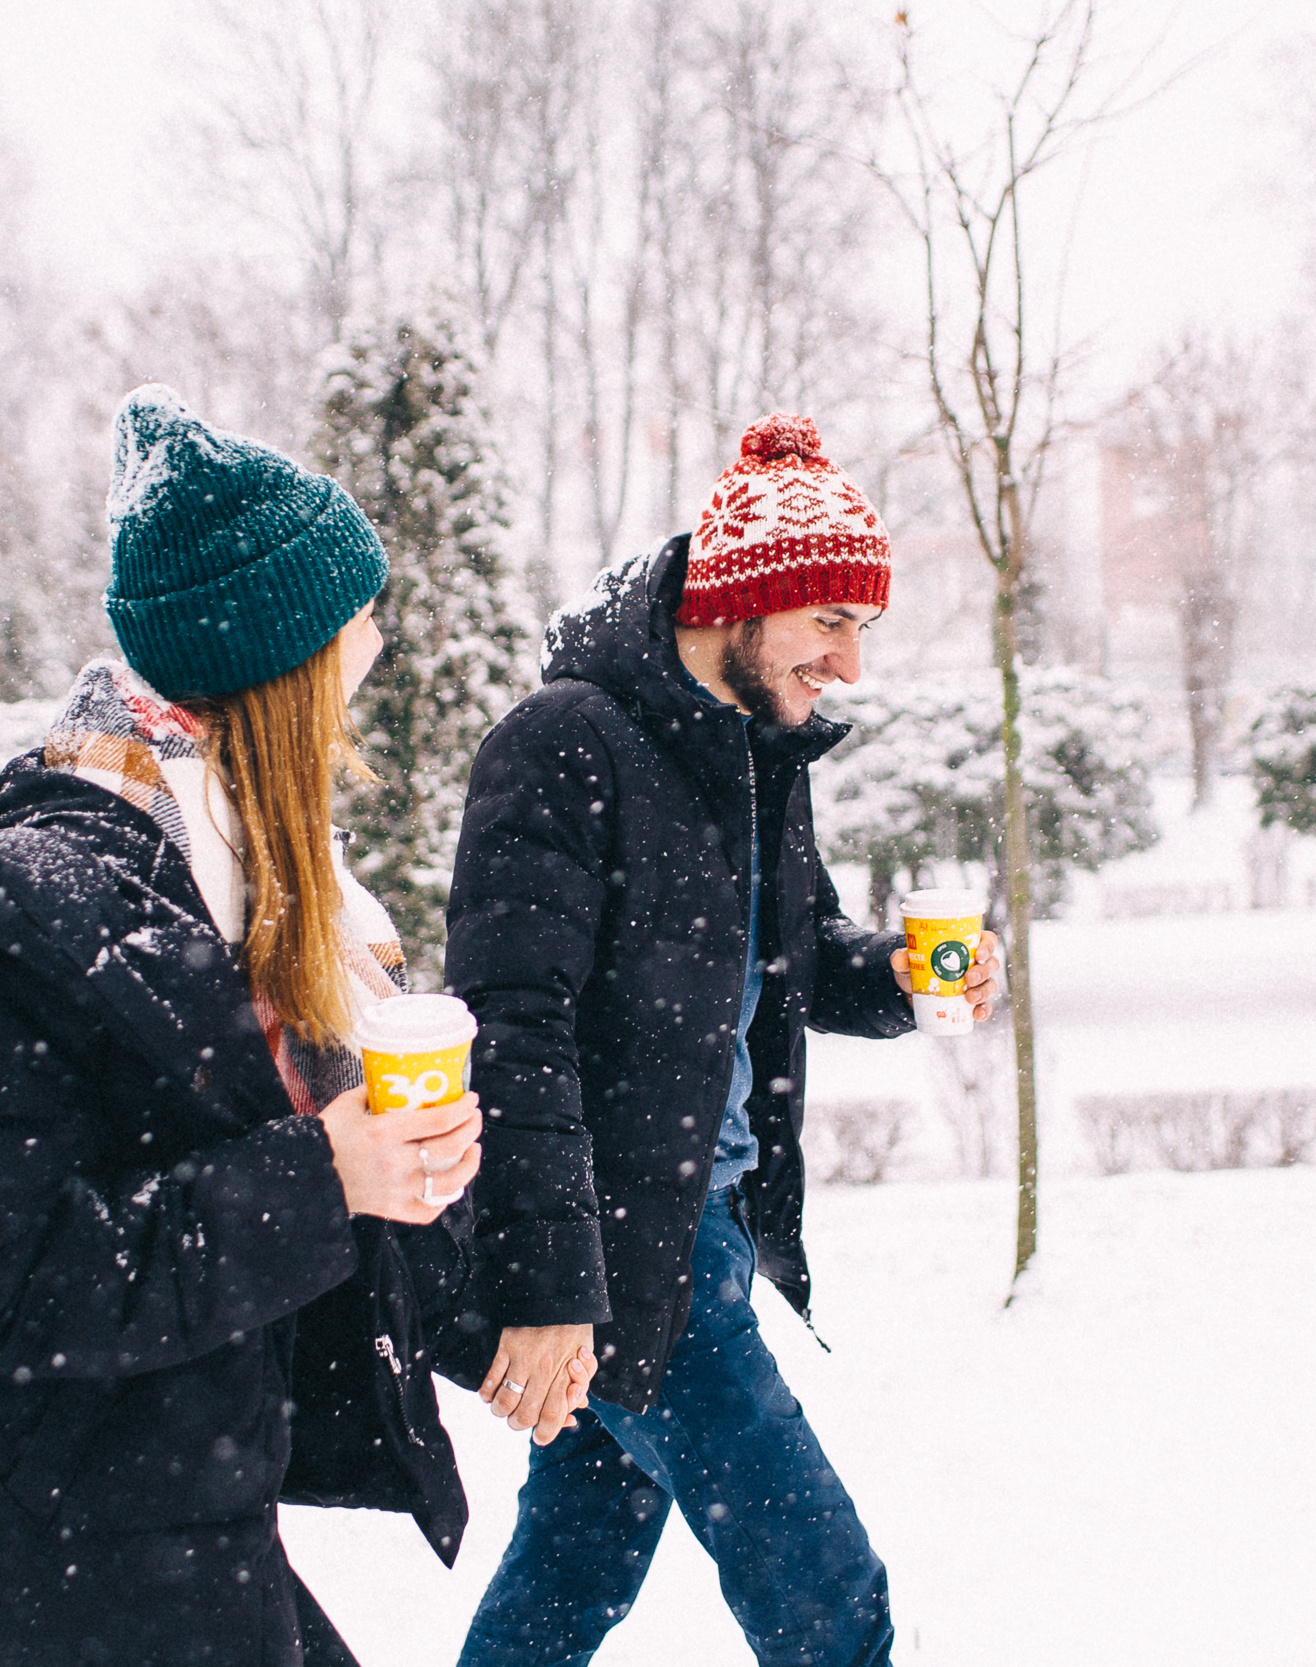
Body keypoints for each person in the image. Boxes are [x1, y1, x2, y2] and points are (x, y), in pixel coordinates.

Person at [0, 385, 488, 1667]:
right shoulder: (53, 904)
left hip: (142, 1509)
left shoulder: (222, 875)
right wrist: (322, 1175)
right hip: (28, 1555)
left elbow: (223, 1173)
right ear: (279, 669)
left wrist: (494, 1284)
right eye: (356, 624)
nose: (378, 646)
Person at [444, 414, 1001, 1666]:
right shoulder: (563, 742)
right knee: (824, 1585)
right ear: (739, 602)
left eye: (862, 628)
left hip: (710, 1216)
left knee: (573, 1562)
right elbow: (509, 1027)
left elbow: (792, 957)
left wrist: (898, 973)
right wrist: (554, 1284)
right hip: (627, 1234)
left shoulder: (752, 754)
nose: (848, 663)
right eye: (830, 622)